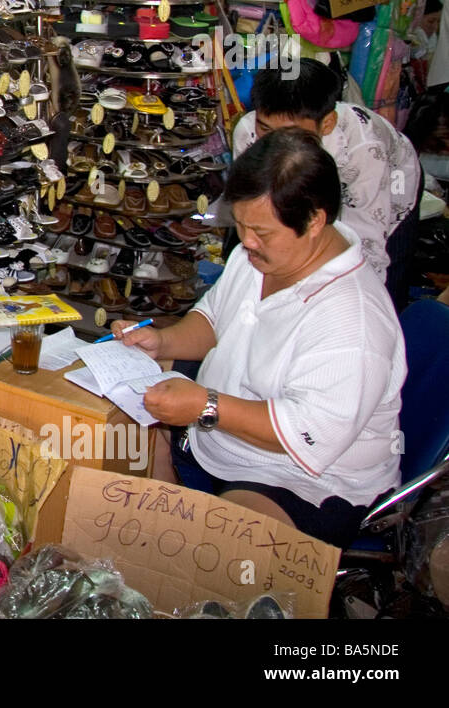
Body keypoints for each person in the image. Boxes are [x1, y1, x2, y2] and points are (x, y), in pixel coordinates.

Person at [116, 129, 404, 547]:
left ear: (314, 220)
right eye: (243, 226)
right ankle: (161, 534)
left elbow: (307, 432)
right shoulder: (257, 256)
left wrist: (205, 405)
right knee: (135, 397)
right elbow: (213, 321)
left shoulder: (352, 319)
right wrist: (164, 342)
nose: (246, 242)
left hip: (302, 478)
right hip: (222, 429)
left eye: (262, 232)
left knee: (228, 546)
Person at [232, 58, 422, 307]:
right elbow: (256, 210)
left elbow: (368, 243)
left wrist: (358, 307)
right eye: (266, 129)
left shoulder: (364, 149)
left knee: (385, 273)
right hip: (311, 186)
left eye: (291, 134)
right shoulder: (248, 133)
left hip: (392, 185)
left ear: (327, 123)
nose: (276, 145)